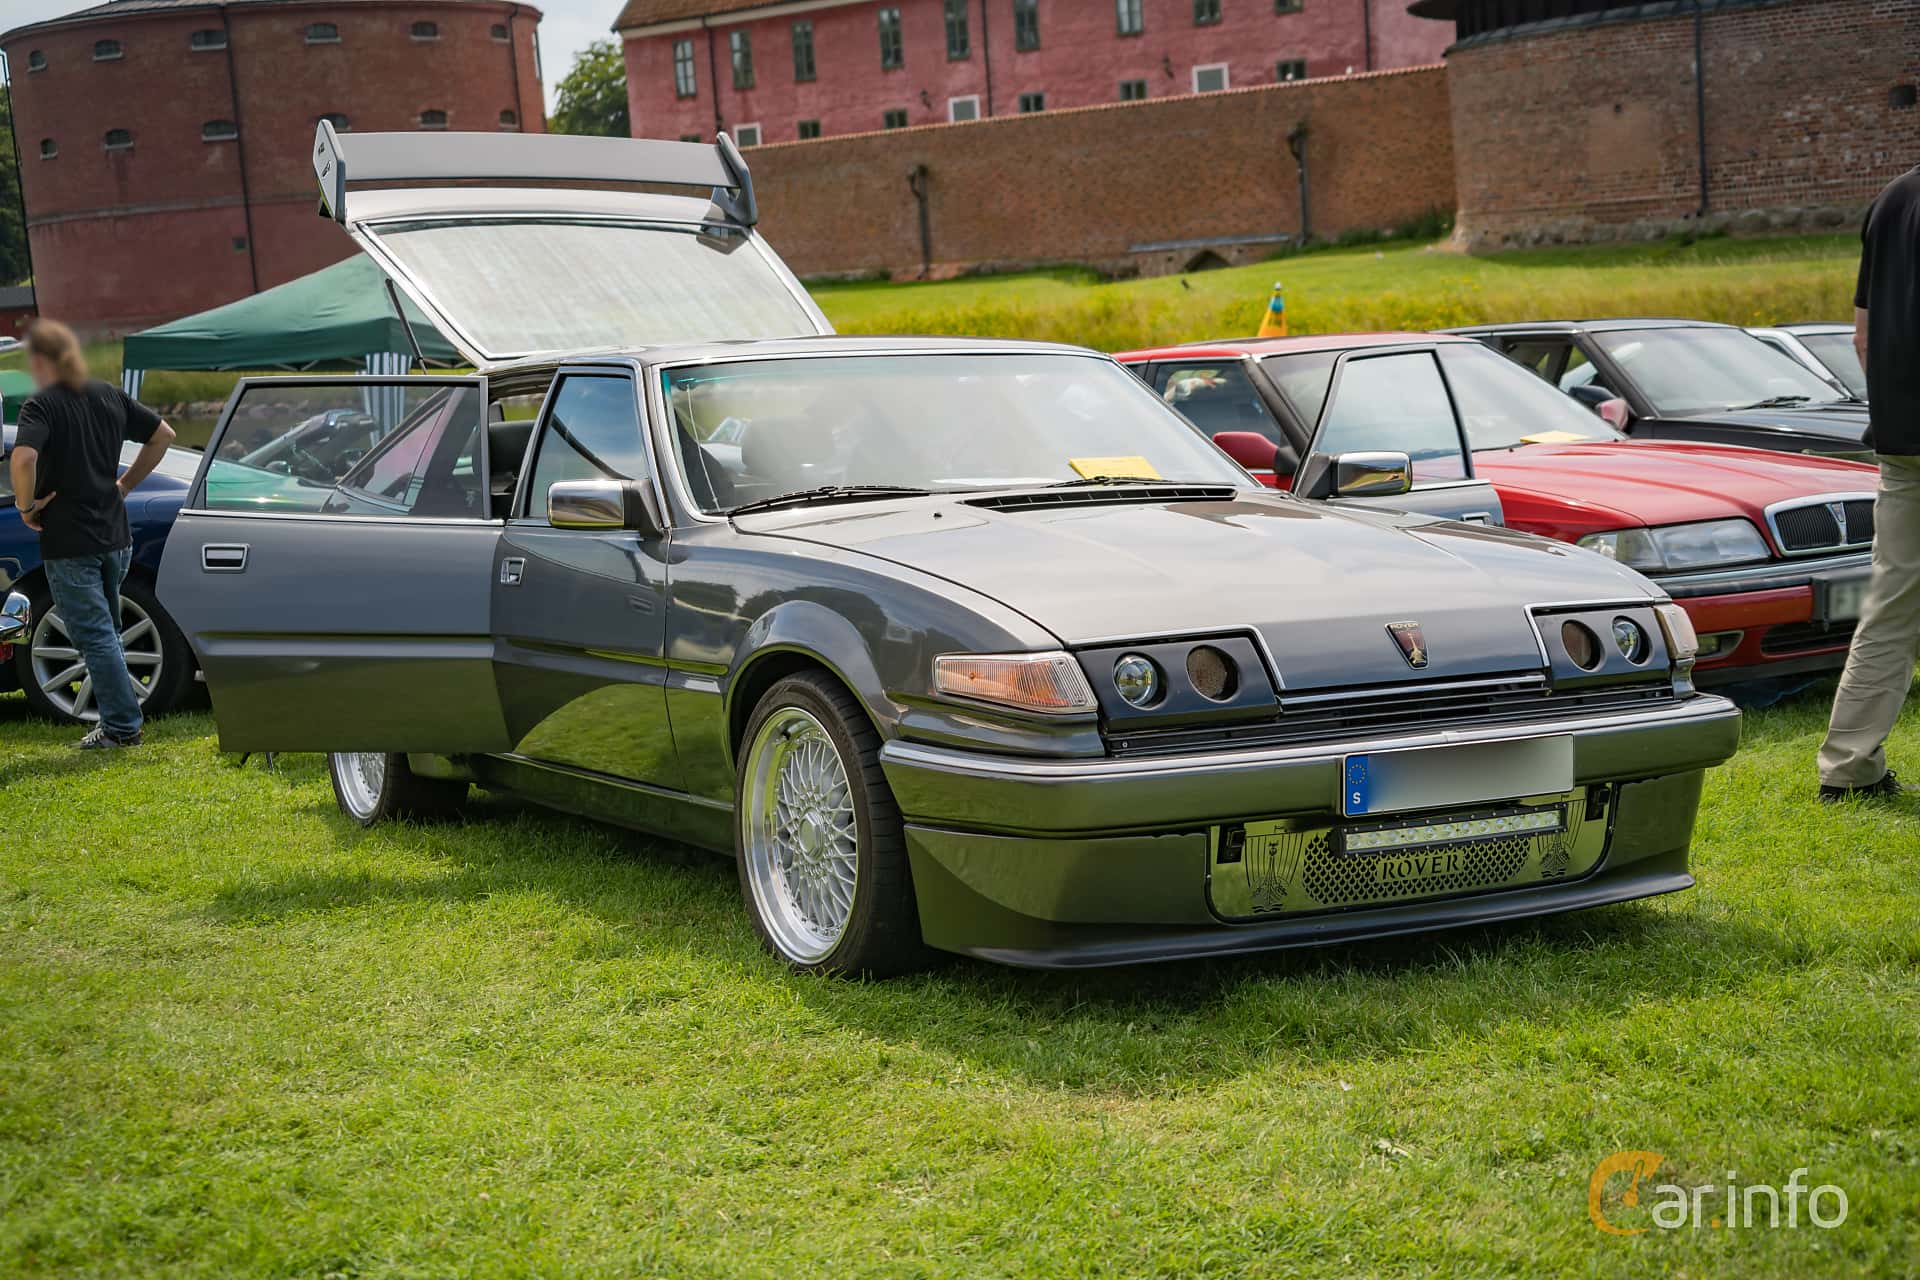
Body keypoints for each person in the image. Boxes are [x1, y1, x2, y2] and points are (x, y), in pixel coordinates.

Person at [7, 319, 176, 749]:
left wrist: (26, 507)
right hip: (116, 536)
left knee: (94, 637)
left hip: (70, 540)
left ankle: (121, 729)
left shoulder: (41, 406)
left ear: (42, 360)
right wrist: (126, 485)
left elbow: (23, 458)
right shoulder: (107, 395)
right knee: (109, 635)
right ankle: (119, 720)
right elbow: (164, 436)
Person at [1819, 163, 1920, 801]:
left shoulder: (1892, 200)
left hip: (1902, 441)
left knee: (1889, 609)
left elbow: (1861, 336)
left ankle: (1850, 765)